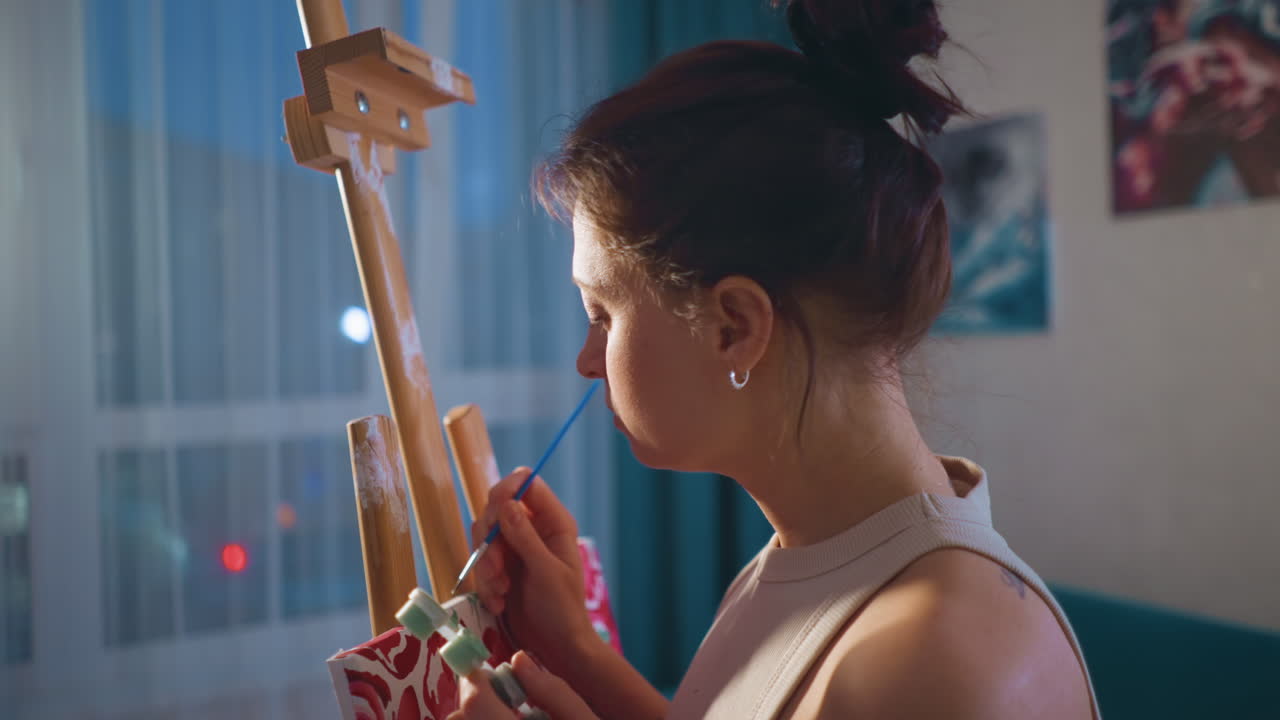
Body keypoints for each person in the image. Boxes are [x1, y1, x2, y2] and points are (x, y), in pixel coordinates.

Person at [449, 1, 1098, 717]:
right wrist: (574, 647)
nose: (586, 361)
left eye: (603, 314)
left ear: (734, 327)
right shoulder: (812, 555)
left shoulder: (933, 660)